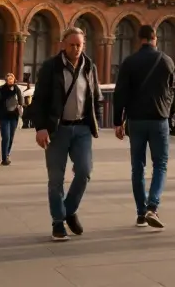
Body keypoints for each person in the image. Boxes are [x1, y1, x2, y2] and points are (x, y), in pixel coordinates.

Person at [31, 26, 103, 242]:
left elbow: (96, 96)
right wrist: (41, 128)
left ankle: (68, 210)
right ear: (63, 44)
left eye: (79, 45)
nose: (75, 49)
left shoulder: (90, 66)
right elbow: (39, 100)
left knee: (84, 171)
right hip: (57, 130)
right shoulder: (50, 67)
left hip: (82, 129)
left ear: (84, 45)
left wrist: (95, 120)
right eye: (71, 45)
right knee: (56, 178)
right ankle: (58, 222)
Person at [113, 24, 175, 229]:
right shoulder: (167, 61)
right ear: (154, 39)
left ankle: (141, 213)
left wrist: (118, 121)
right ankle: (153, 206)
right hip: (159, 120)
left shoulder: (129, 62)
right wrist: (169, 114)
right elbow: (173, 91)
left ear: (139, 39)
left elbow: (120, 93)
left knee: (137, 167)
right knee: (160, 165)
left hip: (136, 121)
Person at [0, 73, 25, 165]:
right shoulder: (1, 89)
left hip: (13, 115)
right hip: (3, 115)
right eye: (8, 79)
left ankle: (7, 154)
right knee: (6, 136)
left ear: (14, 79)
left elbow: (21, 99)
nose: (10, 80)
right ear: (6, 80)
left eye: (12, 78)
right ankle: (4, 158)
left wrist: (21, 105)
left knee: (11, 136)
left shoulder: (17, 89)